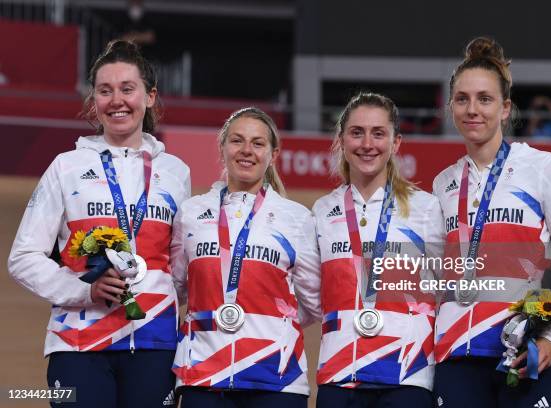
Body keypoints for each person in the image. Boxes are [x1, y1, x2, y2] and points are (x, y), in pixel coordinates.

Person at [8, 40, 191, 408]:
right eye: (105, 91)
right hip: (77, 343)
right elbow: (23, 256)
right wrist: (83, 290)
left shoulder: (175, 173)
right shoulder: (66, 167)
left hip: (154, 343)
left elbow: (182, 266)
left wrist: (154, 298)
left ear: (150, 96)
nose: (116, 100)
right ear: (94, 100)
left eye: (127, 89)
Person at [432, 37, 551, 408]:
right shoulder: (442, 185)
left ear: (505, 108)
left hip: (525, 352)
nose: (473, 109)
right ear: (451, 107)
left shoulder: (544, 169)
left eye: (485, 99)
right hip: (457, 357)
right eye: (463, 99)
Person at [170, 107, 320, 408]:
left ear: (273, 155)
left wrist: (271, 324)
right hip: (203, 375)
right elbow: (175, 288)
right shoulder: (191, 212)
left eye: (258, 143)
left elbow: (314, 301)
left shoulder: (296, 218)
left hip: (277, 379)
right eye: (237, 141)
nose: (247, 151)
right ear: (222, 147)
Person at [313, 92, 446, 408]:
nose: (367, 144)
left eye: (378, 133)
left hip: (407, 375)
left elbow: (447, 288)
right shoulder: (322, 211)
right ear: (342, 140)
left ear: (396, 143)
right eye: (357, 132)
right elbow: (310, 292)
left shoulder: (426, 209)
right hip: (339, 373)